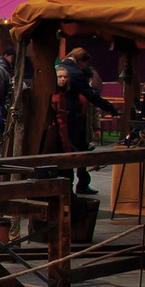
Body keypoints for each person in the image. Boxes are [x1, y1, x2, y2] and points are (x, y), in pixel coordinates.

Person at [60, 55, 115, 194]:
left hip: (84, 127)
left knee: (83, 158)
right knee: (70, 158)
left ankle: (83, 184)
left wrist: (96, 128)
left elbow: (93, 110)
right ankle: (69, 186)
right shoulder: (71, 94)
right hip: (72, 127)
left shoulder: (85, 93)